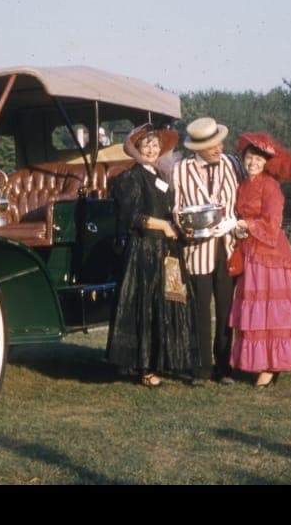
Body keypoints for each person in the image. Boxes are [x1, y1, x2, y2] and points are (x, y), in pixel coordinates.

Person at [105, 123, 199, 387]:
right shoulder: (130, 178)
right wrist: (164, 226)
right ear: (136, 149)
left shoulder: (161, 177)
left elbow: (168, 212)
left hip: (167, 250)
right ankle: (145, 367)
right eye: (146, 145)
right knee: (146, 307)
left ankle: (163, 361)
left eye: (155, 145)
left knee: (168, 304)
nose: (151, 149)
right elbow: (131, 217)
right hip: (144, 252)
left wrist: (180, 227)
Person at [228, 132, 291, 389]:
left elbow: (272, 226)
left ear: (266, 163)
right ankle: (261, 363)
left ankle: (272, 366)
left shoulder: (270, 186)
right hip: (250, 253)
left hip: (269, 256)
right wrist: (241, 229)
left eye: (258, 159)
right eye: (249, 157)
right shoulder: (244, 184)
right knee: (255, 312)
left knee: (269, 312)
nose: (252, 162)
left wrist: (246, 224)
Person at [172, 117, 244, 384]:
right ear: (197, 148)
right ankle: (200, 368)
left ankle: (224, 367)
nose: (218, 148)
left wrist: (234, 224)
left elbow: (243, 202)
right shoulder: (180, 170)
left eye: (220, 142)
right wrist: (185, 228)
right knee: (199, 310)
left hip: (227, 247)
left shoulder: (234, 164)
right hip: (197, 250)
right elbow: (176, 209)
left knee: (226, 310)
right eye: (212, 145)